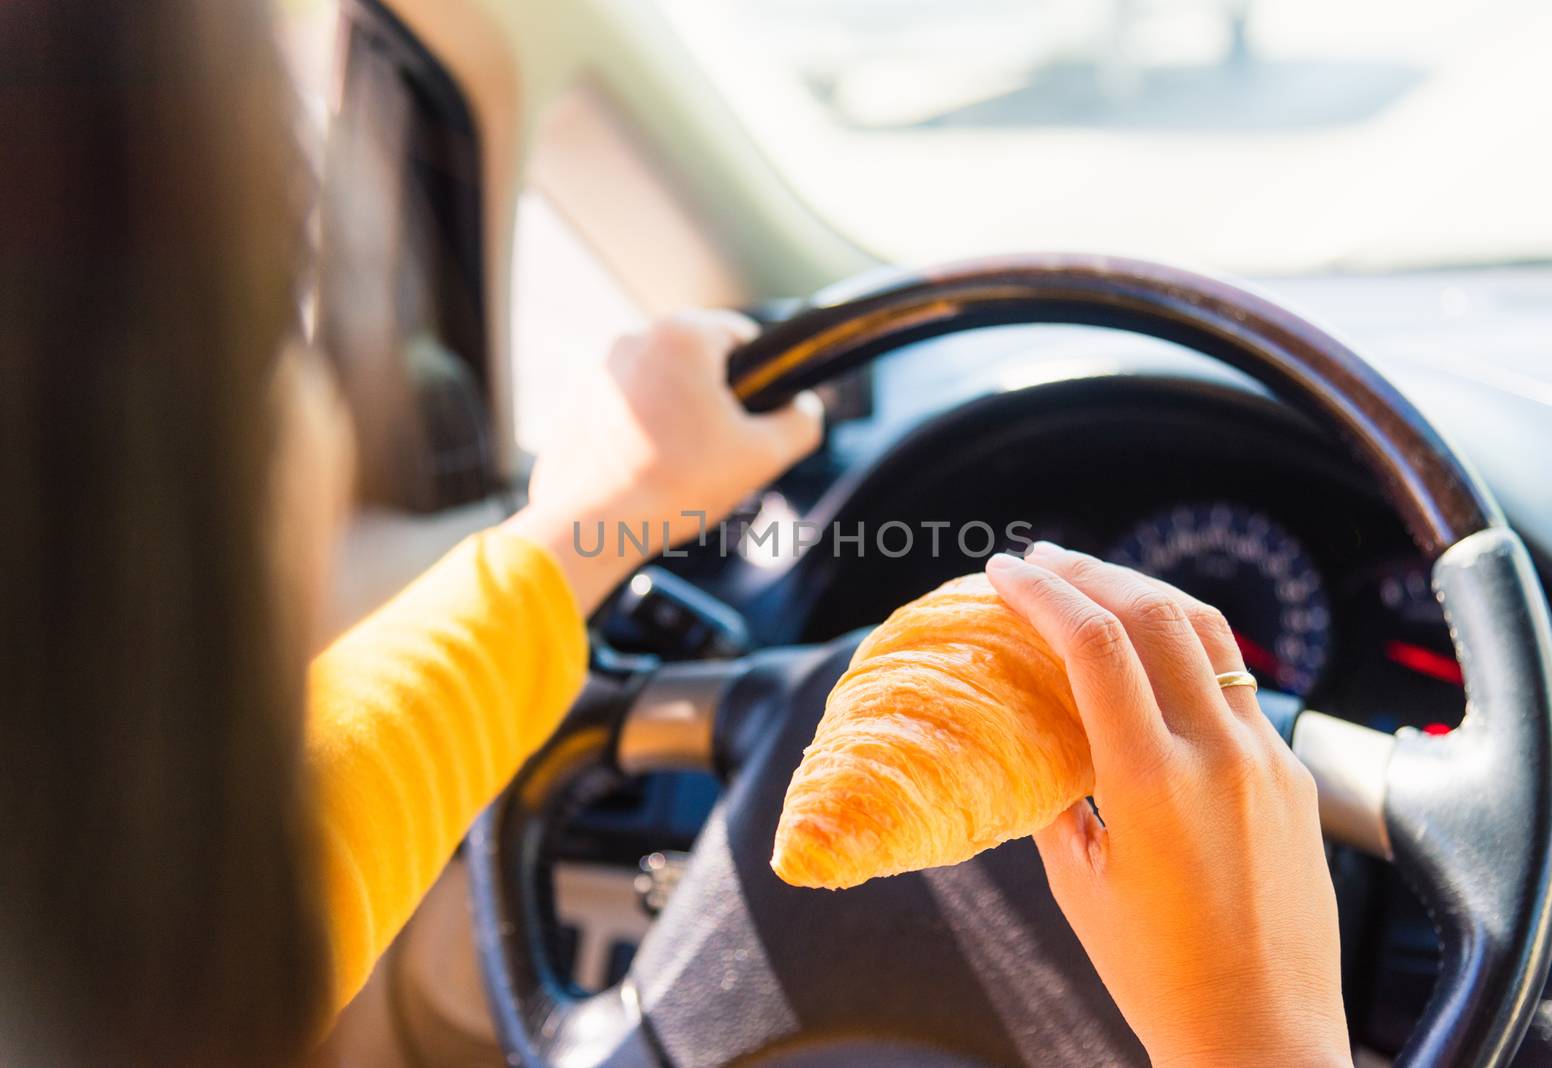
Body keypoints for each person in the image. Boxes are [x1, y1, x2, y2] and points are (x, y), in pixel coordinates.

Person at [0, 1, 1347, 1065]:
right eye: (280, 346)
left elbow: (287, 848)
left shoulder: (97, 942)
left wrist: (586, 527)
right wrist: (1259, 1034)